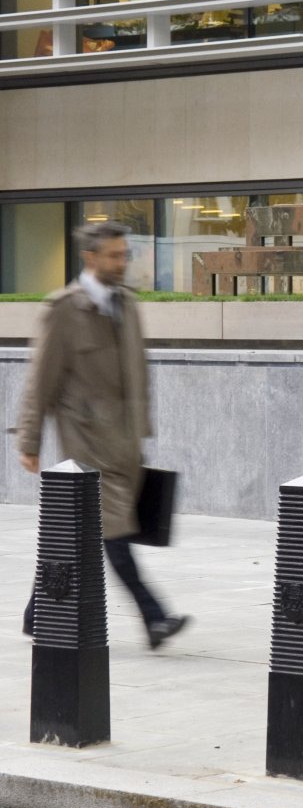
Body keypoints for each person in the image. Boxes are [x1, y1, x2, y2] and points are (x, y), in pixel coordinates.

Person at [17, 220, 189, 650]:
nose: (121, 262)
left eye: (124, 254)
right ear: (90, 258)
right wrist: (29, 440)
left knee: (81, 531)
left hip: (125, 443)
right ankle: (154, 617)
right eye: (114, 255)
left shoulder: (127, 305)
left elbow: (137, 374)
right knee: (112, 529)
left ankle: (36, 612)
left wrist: (142, 431)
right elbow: (41, 381)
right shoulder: (63, 310)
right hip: (86, 439)